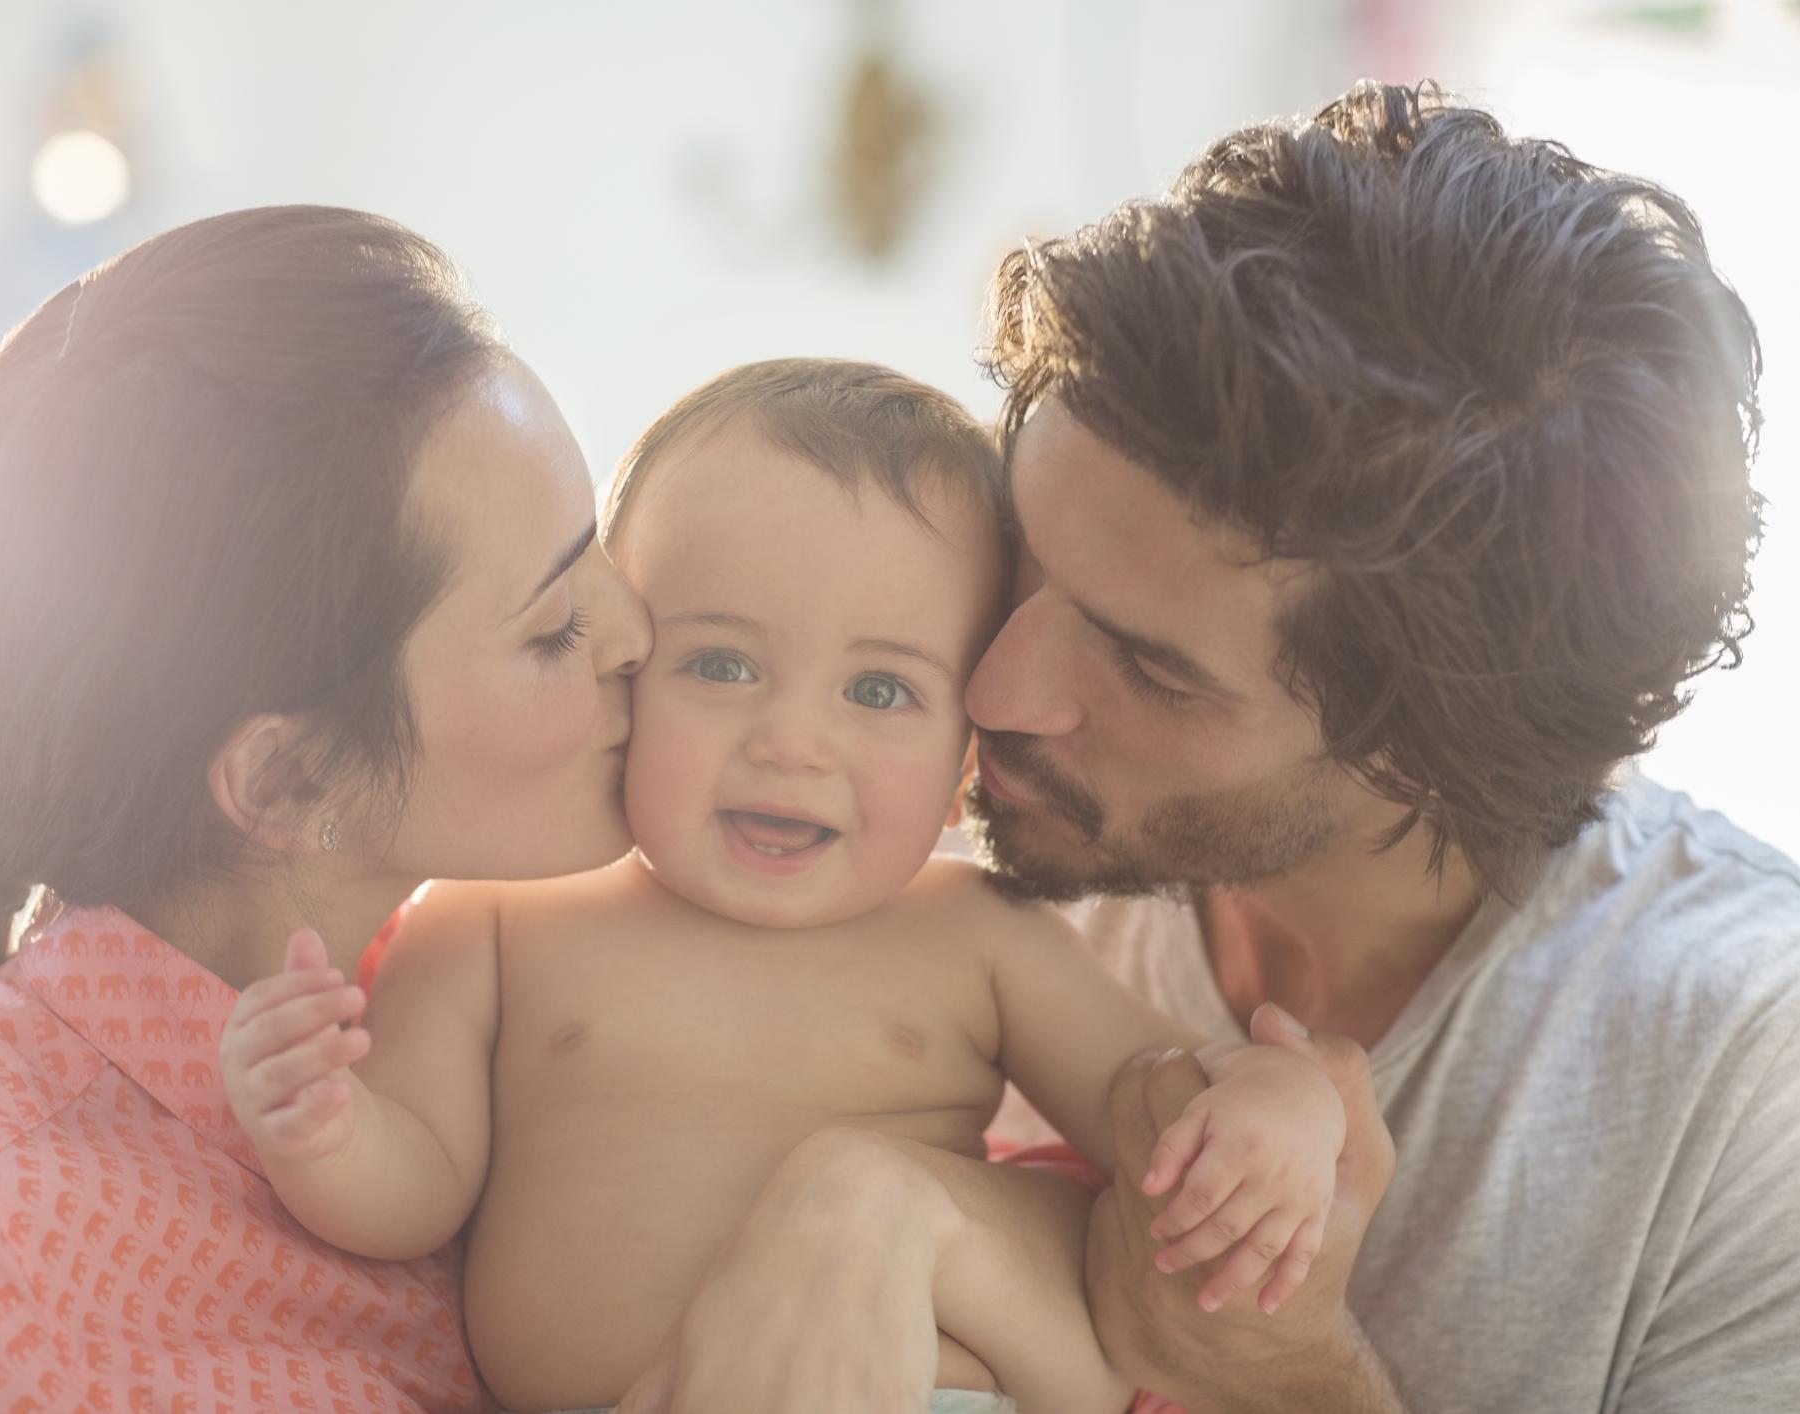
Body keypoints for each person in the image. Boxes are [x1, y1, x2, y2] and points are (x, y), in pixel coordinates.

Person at [620, 81, 1798, 1413]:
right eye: (1027, 548)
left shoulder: (1749, 1069)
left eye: (1144, 664)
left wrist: (1291, 1377)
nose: (995, 691)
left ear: (1420, 749)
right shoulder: (876, 831)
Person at [218, 360, 1350, 1414]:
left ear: (967, 758)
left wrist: (1277, 1108)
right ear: (622, 666)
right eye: (721, 665)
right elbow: (418, 1181)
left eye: (880, 690)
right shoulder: (496, 916)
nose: (793, 742)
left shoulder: (972, 933)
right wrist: (320, 1127)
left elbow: (1154, 1103)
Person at [0, 205, 659, 1411]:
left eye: (601, 555)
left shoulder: (523, 999)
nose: (638, 631)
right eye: (555, 630)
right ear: (287, 781)